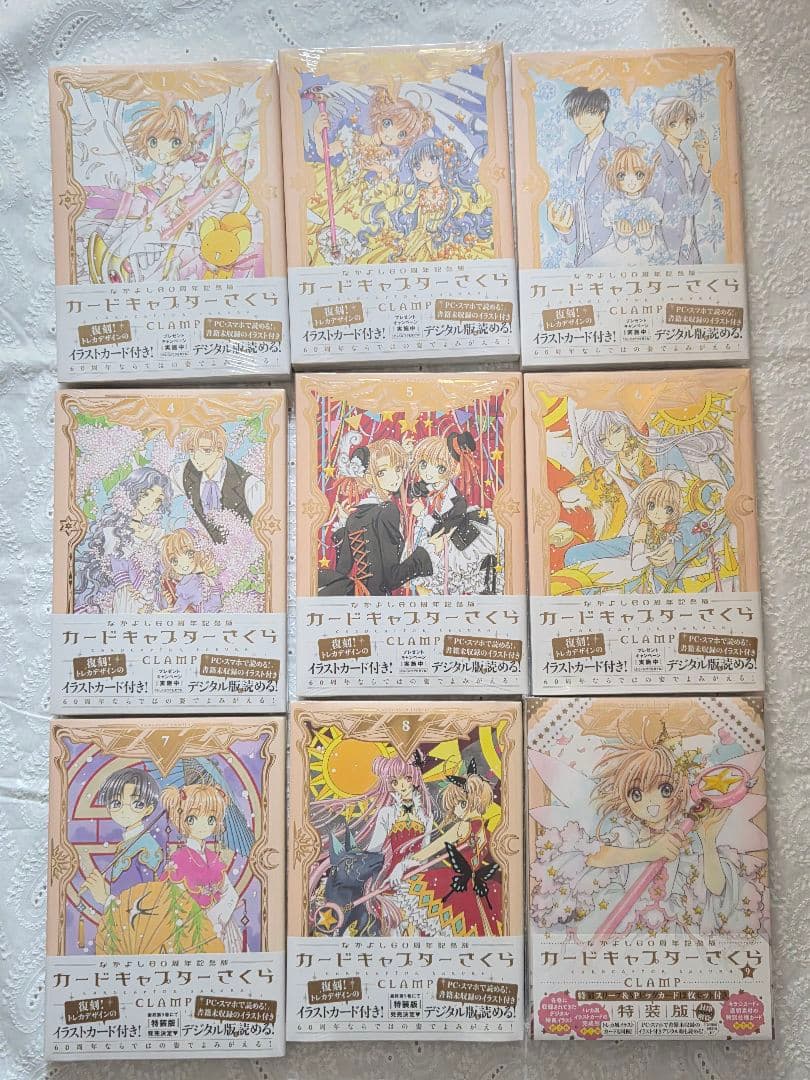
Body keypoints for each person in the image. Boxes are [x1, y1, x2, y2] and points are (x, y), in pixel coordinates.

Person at [318, 438, 433, 596]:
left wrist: (343, 530)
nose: (395, 477)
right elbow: (391, 578)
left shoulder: (354, 516)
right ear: (370, 478)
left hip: (356, 593)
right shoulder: (387, 510)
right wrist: (425, 553)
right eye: (382, 472)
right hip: (377, 598)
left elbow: (342, 569)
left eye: (398, 469)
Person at [547, 86, 624, 265]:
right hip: (583, 250)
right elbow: (574, 201)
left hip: (614, 246)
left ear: (602, 114)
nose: (582, 120)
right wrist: (563, 228)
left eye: (589, 112)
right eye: (577, 114)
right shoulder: (574, 154)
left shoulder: (620, 148)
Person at [81, 766, 163, 908]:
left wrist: (104, 898)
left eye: (137, 804)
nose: (125, 810)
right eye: (117, 803)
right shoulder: (126, 844)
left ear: (148, 809)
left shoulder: (147, 849)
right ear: (108, 808)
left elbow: (145, 906)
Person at [171, 425, 265, 544]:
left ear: (220, 451)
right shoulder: (182, 472)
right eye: (192, 450)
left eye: (206, 450)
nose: (196, 457)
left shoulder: (250, 485)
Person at [650, 96, 712, 263]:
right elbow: (652, 210)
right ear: (663, 126)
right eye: (674, 123)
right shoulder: (659, 159)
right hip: (670, 248)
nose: (684, 127)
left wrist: (705, 164)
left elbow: (692, 203)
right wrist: (662, 251)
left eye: (687, 121)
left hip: (688, 247)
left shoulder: (682, 157)